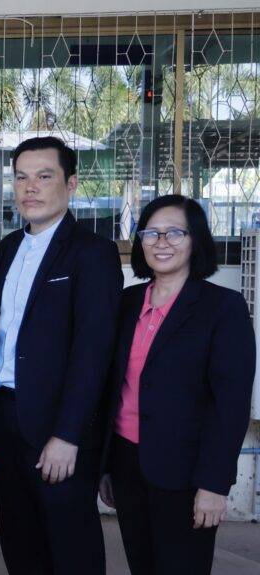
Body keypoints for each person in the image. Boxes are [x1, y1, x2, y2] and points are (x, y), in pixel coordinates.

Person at [0, 136, 123, 575]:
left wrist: (68, 434)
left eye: (44, 176)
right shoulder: (8, 247)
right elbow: (5, 336)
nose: (30, 188)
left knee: (70, 546)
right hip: (8, 415)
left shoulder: (92, 252)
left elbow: (93, 351)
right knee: (20, 542)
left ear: (71, 183)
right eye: (21, 177)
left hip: (59, 426)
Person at [98, 195, 255, 575]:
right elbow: (111, 388)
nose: (161, 242)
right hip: (127, 463)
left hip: (187, 473)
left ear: (195, 239)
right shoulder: (127, 302)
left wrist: (215, 485)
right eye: (151, 233)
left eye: (174, 233)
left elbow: (230, 406)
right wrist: (106, 466)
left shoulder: (223, 308)